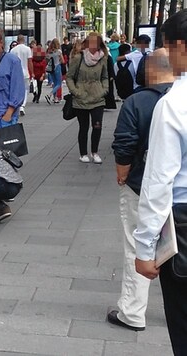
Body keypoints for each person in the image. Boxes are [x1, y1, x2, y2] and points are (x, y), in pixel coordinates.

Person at [133, 10, 187, 354]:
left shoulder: (174, 104)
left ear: (178, 46)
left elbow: (158, 183)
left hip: (182, 226)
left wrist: (143, 249)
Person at [109, 48, 174, 332]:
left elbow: (124, 142)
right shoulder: (180, 101)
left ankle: (133, 312)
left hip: (140, 184)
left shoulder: (137, 102)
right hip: (179, 191)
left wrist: (122, 171)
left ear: (148, 71)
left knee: (137, 245)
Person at [66, 32, 109, 164]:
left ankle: (94, 152)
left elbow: (105, 76)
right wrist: (76, 91)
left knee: (97, 126)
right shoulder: (79, 58)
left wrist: (104, 90)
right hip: (81, 98)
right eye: (91, 42)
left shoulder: (103, 59)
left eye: (96, 43)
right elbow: (69, 77)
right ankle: (83, 153)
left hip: (97, 98)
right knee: (83, 127)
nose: (93, 46)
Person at [10, 34, 33, 116]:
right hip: (25, 72)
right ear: (24, 40)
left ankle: (17, 104)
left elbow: (10, 63)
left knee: (16, 89)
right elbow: (30, 62)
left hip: (16, 73)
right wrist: (32, 72)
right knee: (25, 90)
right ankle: (22, 106)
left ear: (17, 40)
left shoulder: (13, 50)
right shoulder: (28, 49)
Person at [45, 38, 64, 104]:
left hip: (51, 69)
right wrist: (59, 61)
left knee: (55, 83)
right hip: (57, 67)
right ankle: (50, 94)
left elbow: (46, 60)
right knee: (59, 84)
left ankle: (55, 98)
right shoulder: (58, 51)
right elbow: (62, 60)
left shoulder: (49, 52)